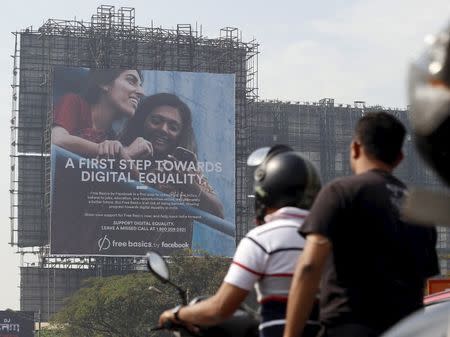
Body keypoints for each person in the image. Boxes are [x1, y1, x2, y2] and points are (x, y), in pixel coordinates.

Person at [283, 112, 440, 337]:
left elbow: (309, 266)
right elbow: (422, 282)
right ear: (399, 158)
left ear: (356, 148)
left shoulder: (340, 192)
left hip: (350, 328)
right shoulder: (420, 209)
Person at [159, 145, 322, 337]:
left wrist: (176, 313)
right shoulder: (330, 237)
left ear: (265, 193)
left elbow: (220, 308)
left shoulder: (262, 239)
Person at [122, 93, 224, 218]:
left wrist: (190, 186)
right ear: (143, 120)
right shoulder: (122, 148)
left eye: (173, 127)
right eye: (156, 121)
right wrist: (128, 155)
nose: (164, 129)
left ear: (180, 135)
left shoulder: (185, 169)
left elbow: (219, 212)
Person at [52, 68, 144, 158]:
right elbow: (57, 139)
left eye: (140, 86)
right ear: (104, 83)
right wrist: (119, 153)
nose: (141, 92)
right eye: (131, 81)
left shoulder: (111, 136)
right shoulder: (74, 102)